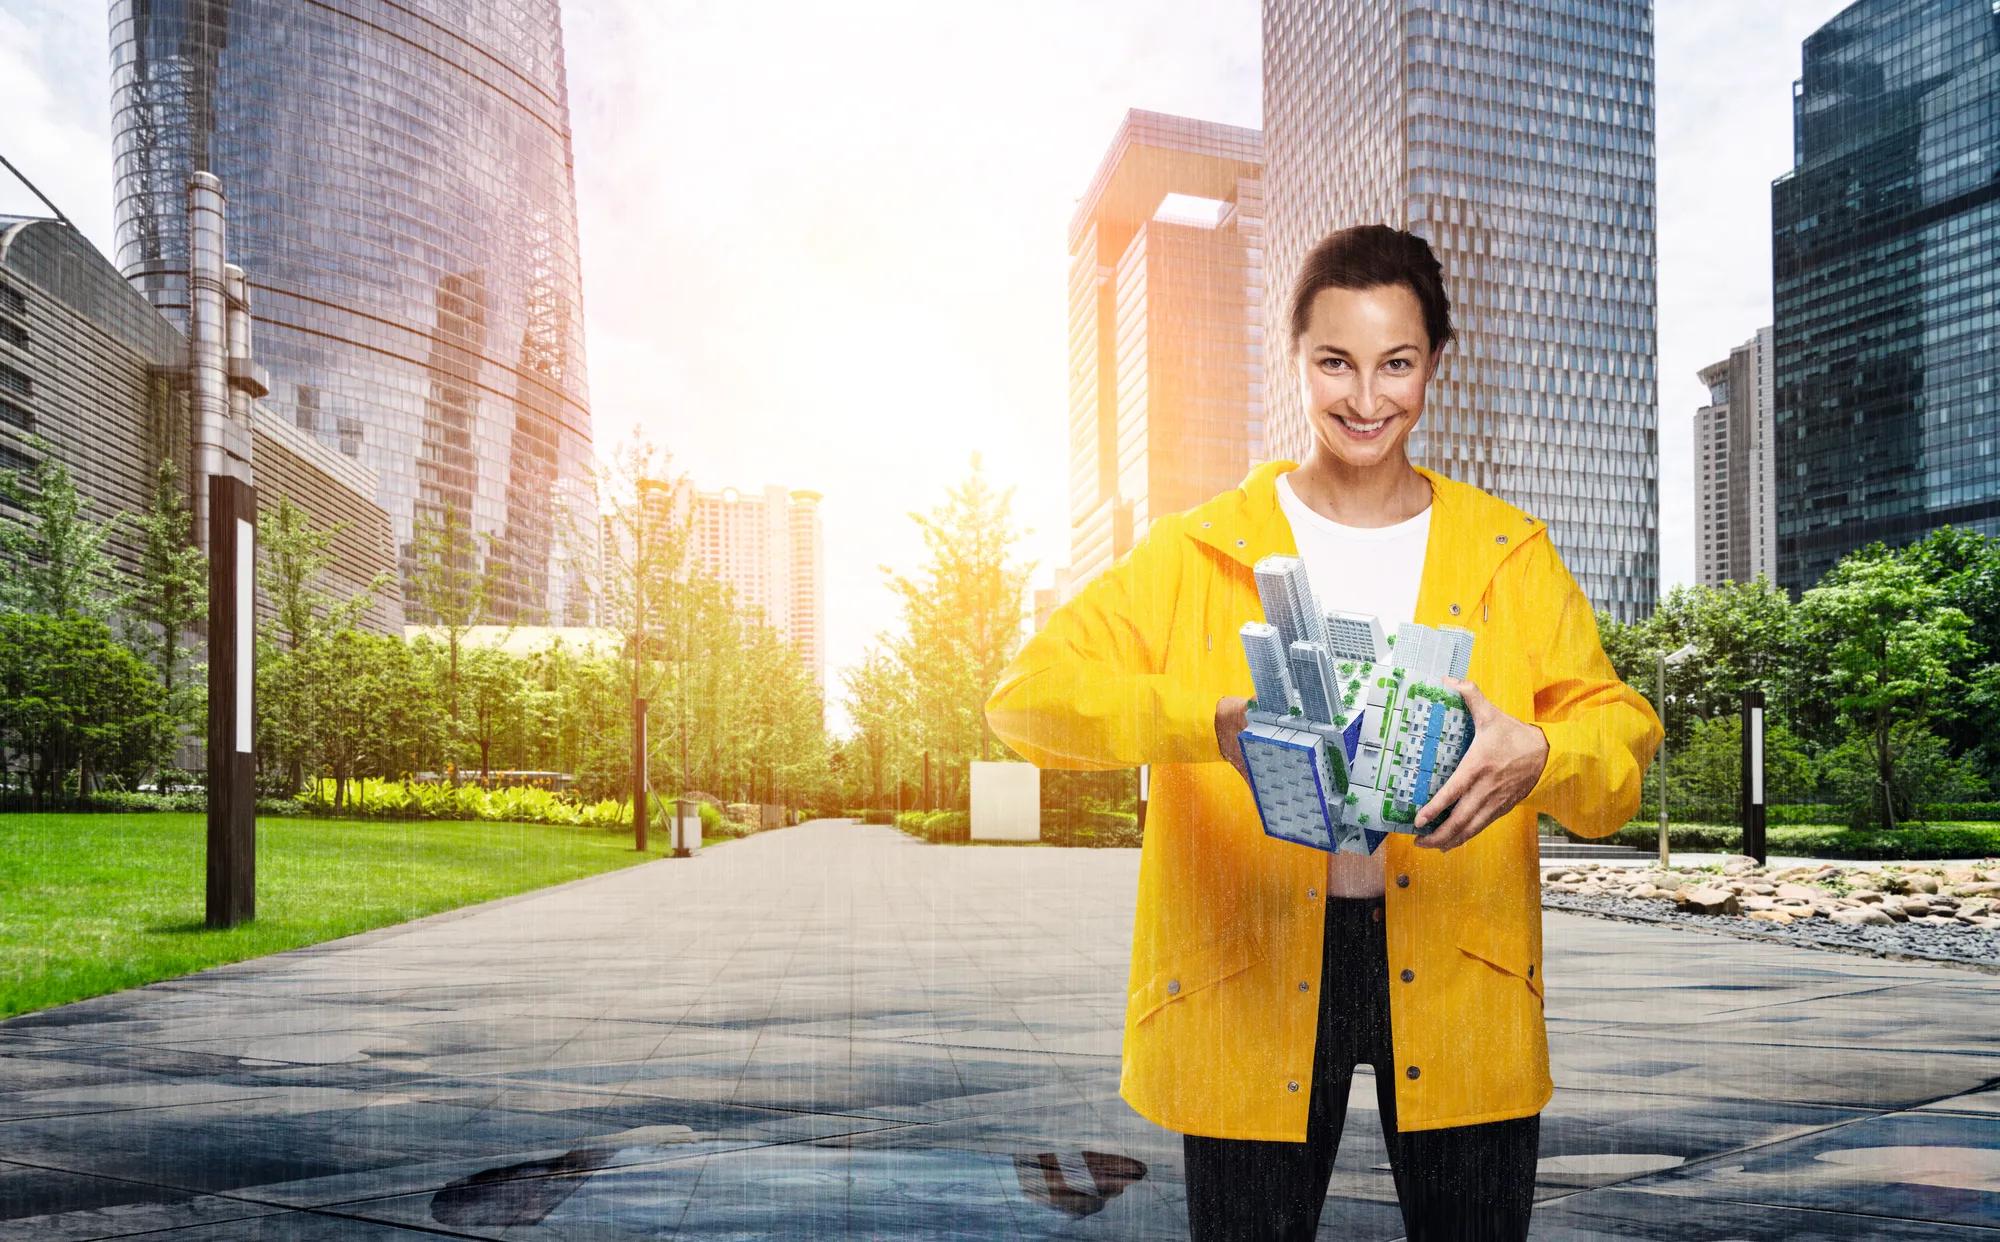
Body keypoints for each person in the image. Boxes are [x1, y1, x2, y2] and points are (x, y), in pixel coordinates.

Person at [983, 223, 1663, 1240]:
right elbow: (1024, 699)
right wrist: (1209, 721)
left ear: (1436, 361)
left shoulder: (1507, 554)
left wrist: (1542, 752)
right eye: (1332, 363)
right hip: (1249, 967)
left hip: (1460, 963)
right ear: (1293, 360)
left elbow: (1613, 761)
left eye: (1395, 364)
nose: (1363, 398)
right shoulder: (1195, 549)